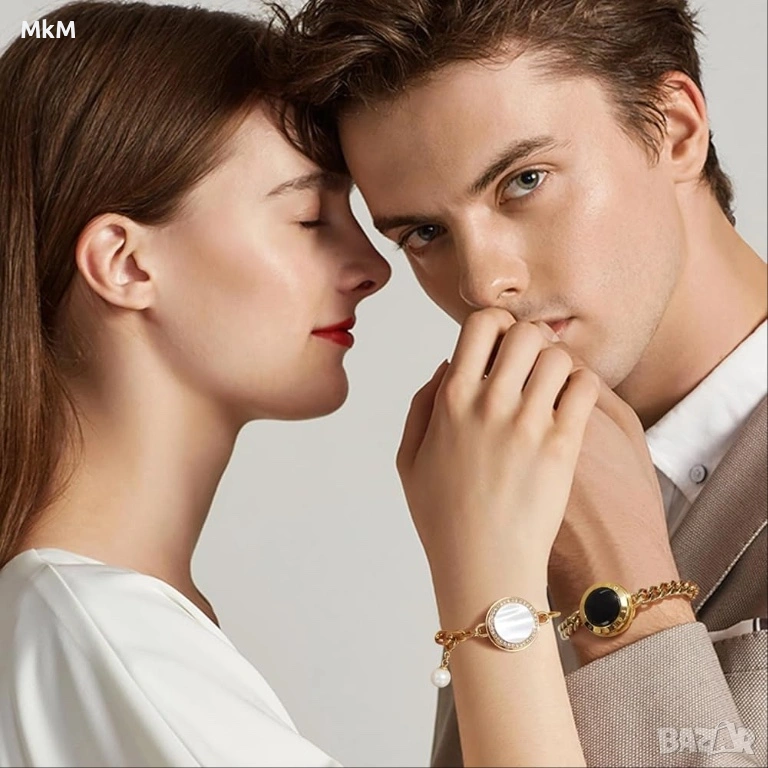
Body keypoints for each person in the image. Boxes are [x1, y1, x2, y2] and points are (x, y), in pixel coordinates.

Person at [0, 2, 605, 766]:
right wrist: (493, 583)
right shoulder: (104, 639)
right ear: (125, 264)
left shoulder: (98, 628)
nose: (375, 268)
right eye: (311, 218)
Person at [272, 0, 768, 765]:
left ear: (675, 129)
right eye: (425, 233)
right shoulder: (512, 488)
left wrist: (619, 600)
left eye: (524, 181)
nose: (482, 283)